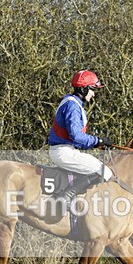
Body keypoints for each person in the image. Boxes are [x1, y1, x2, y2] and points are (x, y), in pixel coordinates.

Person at [47, 70, 114, 202]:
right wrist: (97, 140)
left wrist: (98, 144)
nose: (93, 94)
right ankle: (66, 196)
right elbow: (76, 135)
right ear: (83, 89)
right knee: (104, 171)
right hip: (63, 152)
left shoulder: (72, 103)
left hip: (65, 150)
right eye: (92, 89)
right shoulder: (72, 105)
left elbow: (76, 138)